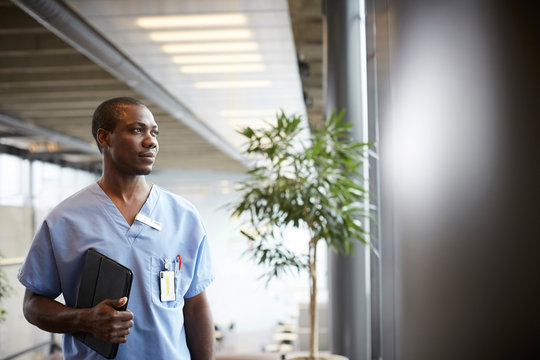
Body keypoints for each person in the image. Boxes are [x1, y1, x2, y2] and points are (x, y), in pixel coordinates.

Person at [17, 97, 215, 359]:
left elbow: (196, 306)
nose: (151, 141)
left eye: (154, 132)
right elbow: (33, 305)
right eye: (137, 130)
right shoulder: (65, 219)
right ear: (104, 137)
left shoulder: (183, 216)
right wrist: (84, 319)